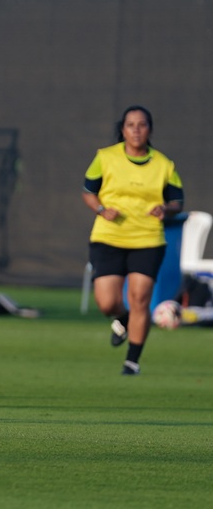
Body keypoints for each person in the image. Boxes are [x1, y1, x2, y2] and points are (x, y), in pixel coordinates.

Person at [82, 105, 183, 376]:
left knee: (140, 299)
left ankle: (132, 362)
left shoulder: (163, 164)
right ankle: (122, 319)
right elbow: (89, 192)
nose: (136, 130)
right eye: (131, 125)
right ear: (122, 130)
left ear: (149, 129)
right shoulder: (105, 157)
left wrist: (167, 209)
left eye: (142, 124)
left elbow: (176, 201)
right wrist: (102, 209)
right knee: (106, 302)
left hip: (147, 238)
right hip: (109, 236)